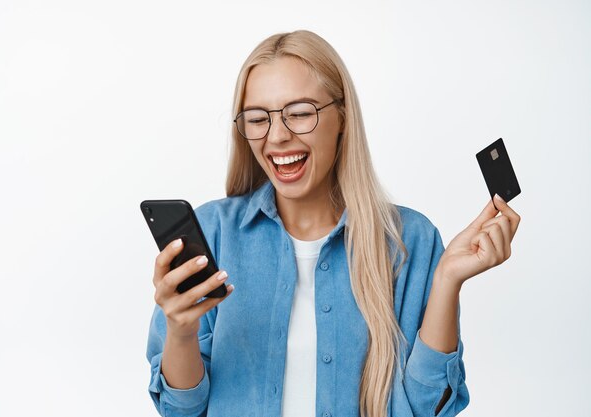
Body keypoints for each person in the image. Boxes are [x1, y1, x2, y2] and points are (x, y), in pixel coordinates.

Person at [146, 30, 520, 417]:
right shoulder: (214, 233)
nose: (277, 136)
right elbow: (182, 410)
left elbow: (428, 408)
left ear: (342, 116)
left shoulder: (411, 240)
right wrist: (181, 330)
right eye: (258, 119)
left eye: (301, 113)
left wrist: (447, 281)